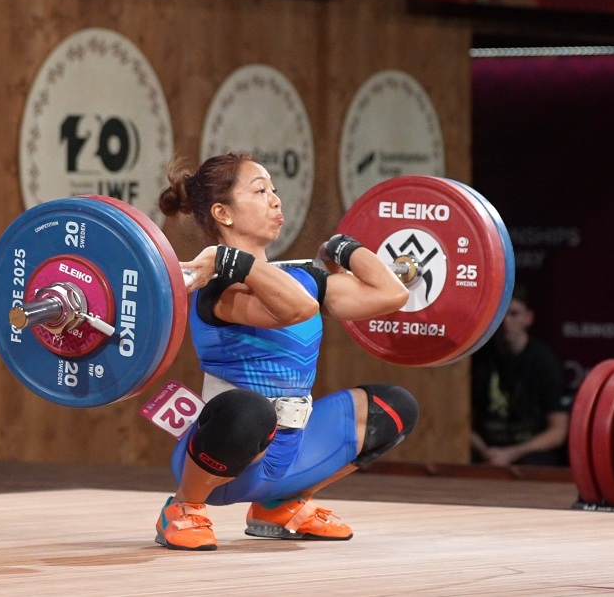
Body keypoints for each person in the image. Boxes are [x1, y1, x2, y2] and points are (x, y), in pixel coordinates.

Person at [153, 152, 418, 551]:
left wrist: (344, 248)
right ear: (223, 213)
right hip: (229, 459)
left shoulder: (301, 278)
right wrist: (229, 262)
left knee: (395, 407)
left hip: (293, 452)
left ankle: (280, 505)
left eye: (274, 190)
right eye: (260, 191)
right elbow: (297, 309)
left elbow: (392, 294)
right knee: (250, 409)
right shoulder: (221, 289)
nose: (276, 200)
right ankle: (186, 506)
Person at [470, 285, 571, 466]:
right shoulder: (477, 360)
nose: (506, 321)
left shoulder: (545, 363)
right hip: (485, 450)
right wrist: (484, 450)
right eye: (500, 314)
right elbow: (459, 420)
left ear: (528, 318)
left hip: (528, 453)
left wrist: (511, 454)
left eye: (514, 314)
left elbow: (558, 431)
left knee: (537, 463)